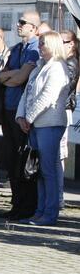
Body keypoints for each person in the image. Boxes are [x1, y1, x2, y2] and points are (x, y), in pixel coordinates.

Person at [16, 31, 69, 226]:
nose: (40, 47)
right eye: (39, 43)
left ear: (53, 45)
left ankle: (50, 212)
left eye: (43, 43)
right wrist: (20, 116)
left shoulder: (57, 68)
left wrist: (28, 117)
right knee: (38, 170)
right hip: (36, 124)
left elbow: (48, 97)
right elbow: (27, 93)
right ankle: (40, 210)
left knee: (48, 170)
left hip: (49, 124)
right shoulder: (39, 68)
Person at [0, 10, 41, 220]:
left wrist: (10, 76)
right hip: (8, 108)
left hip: (21, 111)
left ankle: (26, 205)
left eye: (23, 22)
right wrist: (11, 76)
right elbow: (2, 75)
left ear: (34, 27)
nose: (18, 25)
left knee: (23, 160)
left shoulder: (34, 49)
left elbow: (21, 77)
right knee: (11, 158)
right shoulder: (16, 48)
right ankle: (16, 204)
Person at [60, 29, 79, 208]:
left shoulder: (70, 63)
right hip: (62, 108)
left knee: (59, 154)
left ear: (71, 44)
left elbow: (66, 86)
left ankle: (58, 196)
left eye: (63, 42)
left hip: (63, 109)